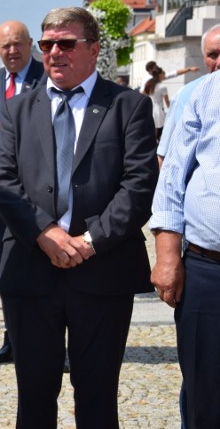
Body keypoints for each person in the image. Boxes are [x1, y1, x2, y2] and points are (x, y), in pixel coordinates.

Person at [0, 6, 158, 428]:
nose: (54, 53)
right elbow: (2, 182)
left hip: (103, 271)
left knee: (98, 395)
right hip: (31, 269)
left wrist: (88, 241)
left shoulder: (129, 107)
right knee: (33, 396)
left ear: (94, 49)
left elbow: (139, 186)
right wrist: (44, 233)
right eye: (47, 44)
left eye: (66, 43)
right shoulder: (17, 111)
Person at [149, 67, 220, 427]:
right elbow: (172, 179)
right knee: (206, 398)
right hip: (209, 270)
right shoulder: (205, 92)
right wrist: (167, 256)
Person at [0, 19, 46, 364]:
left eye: (18, 44)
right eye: (5, 46)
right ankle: (12, 337)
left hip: (42, 194)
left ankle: (49, 339)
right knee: (6, 269)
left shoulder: (49, 78)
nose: (12, 51)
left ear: (30, 43)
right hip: (0, 196)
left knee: (46, 267)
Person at [157, 25, 220, 163]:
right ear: (204, 58)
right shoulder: (186, 96)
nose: (219, 62)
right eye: (213, 55)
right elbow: (165, 156)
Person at [143, 65, 170, 141]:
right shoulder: (162, 86)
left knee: (151, 131)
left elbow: (142, 94)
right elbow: (167, 102)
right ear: (159, 74)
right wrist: (170, 109)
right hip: (158, 110)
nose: (164, 75)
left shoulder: (148, 84)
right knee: (158, 132)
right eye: (162, 73)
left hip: (148, 108)